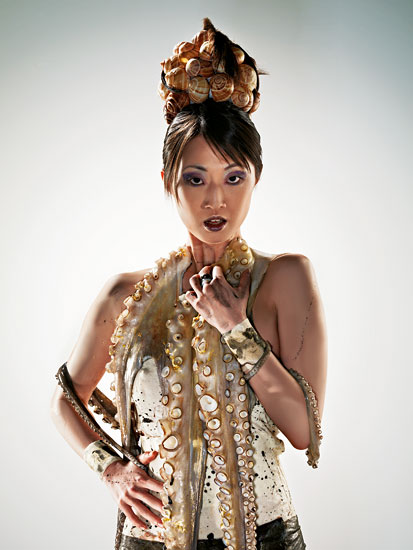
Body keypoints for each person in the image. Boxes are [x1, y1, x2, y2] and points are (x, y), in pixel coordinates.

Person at [50, 17, 327, 550]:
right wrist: (111, 469)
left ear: (256, 178)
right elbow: (65, 399)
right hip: (150, 538)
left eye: (233, 177)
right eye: (195, 178)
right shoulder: (125, 296)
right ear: (168, 183)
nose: (215, 199)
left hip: (265, 537)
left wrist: (236, 328)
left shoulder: (285, 278)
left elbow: (303, 431)